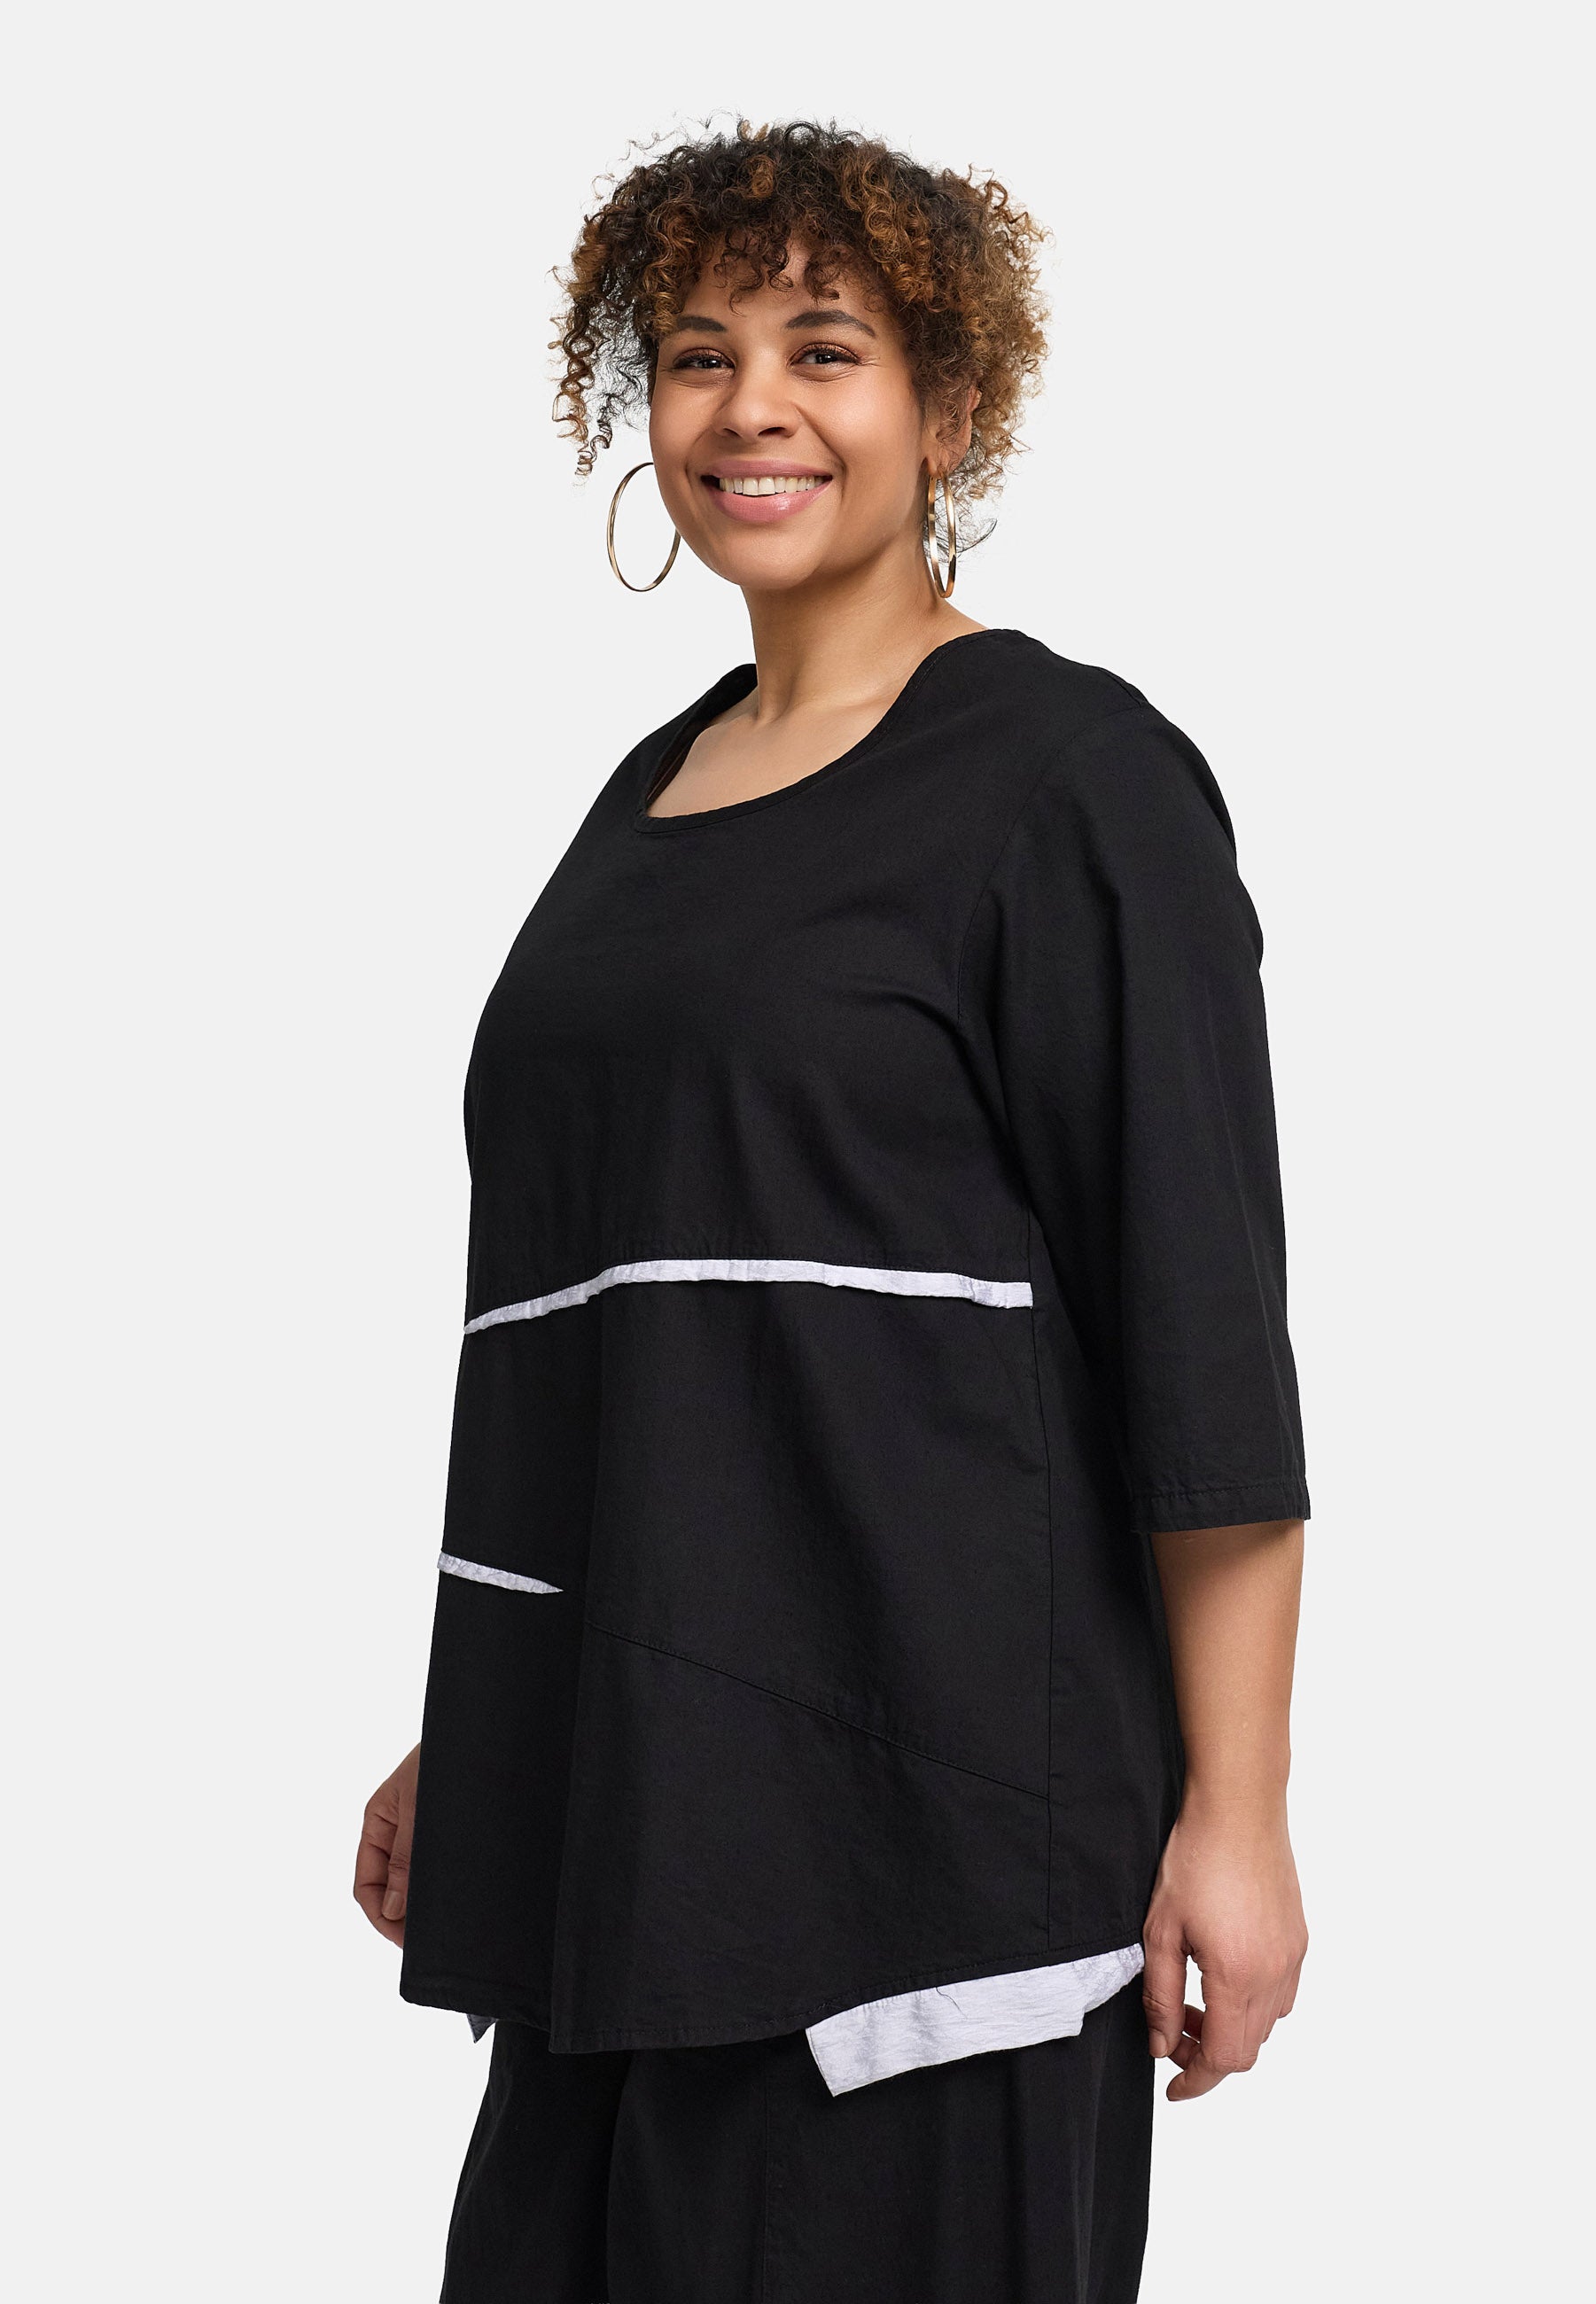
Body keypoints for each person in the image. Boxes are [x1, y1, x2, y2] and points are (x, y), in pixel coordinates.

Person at [354, 117, 1310, 2304]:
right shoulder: (645, 798)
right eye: (696, 356)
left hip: (934, 1867)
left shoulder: (1069, 780)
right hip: (623, 1837)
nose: (749, 408)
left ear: (945, 404)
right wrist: (485, 1717)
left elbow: (1196, 1346)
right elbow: (632, 1325)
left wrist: (1237, 1819)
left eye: (822, 349)